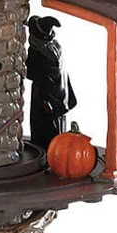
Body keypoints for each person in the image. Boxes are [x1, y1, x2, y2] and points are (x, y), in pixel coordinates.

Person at [26, 15, 77, 149]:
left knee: (42, 128)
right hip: (60, 95)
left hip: (44, 96)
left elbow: (30, 73)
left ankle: (47, 152)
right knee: (57, 127)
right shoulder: (55, 47)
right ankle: (56, 150)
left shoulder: (36, 51)